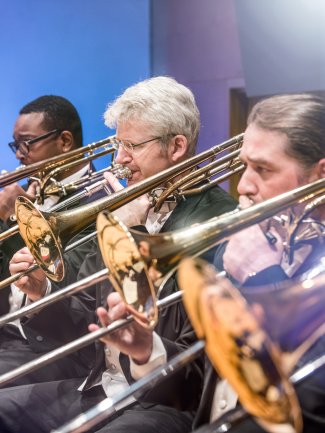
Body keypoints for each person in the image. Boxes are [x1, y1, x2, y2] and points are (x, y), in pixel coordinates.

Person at [0, 76, 237, 433]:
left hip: (161, 400)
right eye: (117, 144)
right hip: (99, 384)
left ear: (176, 147)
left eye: (131, 146)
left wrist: (132, 234)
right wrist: (42, 292)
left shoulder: (217, 221)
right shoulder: (127, 208)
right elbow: (87, 323)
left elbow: (195, 357)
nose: (119, 160)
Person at [192, 93, 325, 433]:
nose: (244, 186)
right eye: (244, 166)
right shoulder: (243, 246)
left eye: (263, 169)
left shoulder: (253, 261)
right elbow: (214, 374)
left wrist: (264, 278)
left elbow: (310, 408)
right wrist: (147, 351)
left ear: (319, 174)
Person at [0, 95, 100, 383]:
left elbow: (61, 280)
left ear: (65, 141)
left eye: (27, 143)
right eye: (15, 145)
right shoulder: (26, 191)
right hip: (9, 333)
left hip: (52, 346)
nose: (19, 154)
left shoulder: (97, 199)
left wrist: (15, 221)